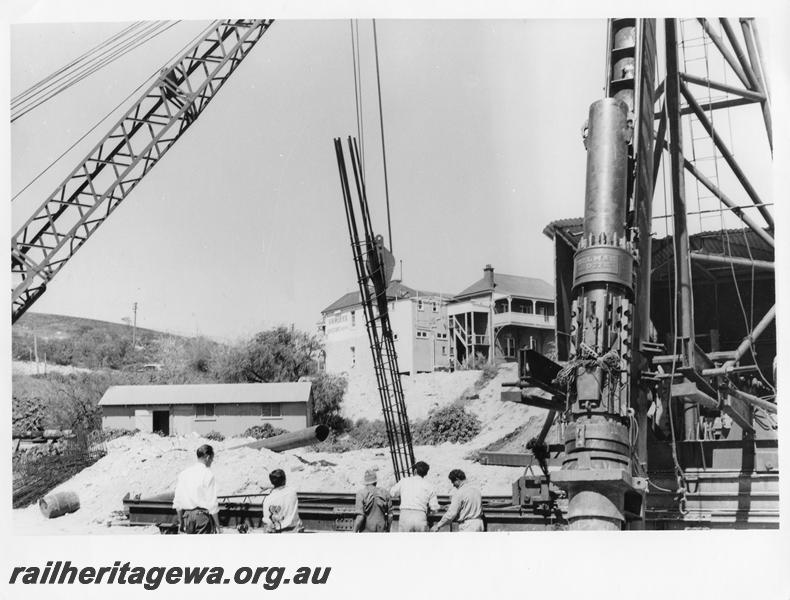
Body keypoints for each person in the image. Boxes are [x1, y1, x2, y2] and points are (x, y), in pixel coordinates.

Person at [173, 444, 221, 534]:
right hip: (202, 518)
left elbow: (177, 502)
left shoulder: (184, 474)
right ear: (207, 457)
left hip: (187, 517)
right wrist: (218, 526)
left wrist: (181, 522)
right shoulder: (208, 474)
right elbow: (212, 504)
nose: (212, 461)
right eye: (212, 459)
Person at [390, 461, 439, 532]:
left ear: (415, 470)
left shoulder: (404, 481)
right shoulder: (429, 485)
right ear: (426, 473)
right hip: (420, 516)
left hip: (405, 515)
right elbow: (434, 508)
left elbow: (392, 493)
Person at [262, 469, 303, 533]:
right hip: (294, 531)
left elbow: (267, 522)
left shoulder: (267, 500)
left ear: (272, 482)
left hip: (278, 532)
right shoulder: (292, 493)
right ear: (284, 480)